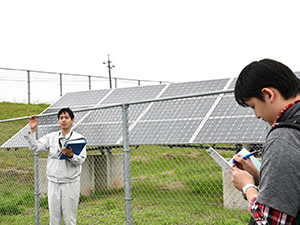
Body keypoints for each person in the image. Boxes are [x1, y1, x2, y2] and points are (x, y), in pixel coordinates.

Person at [231, 58, 300, 224]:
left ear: (268, 94)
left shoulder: (284, 137)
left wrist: (248, 186)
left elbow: (269, 220)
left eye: (254, 106)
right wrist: (259, 175)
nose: (257, 115)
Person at [24, 107, 87, 225]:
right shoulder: (51, 137)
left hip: (70, 184)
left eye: (66, 118)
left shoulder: (79, 139)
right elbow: (35, 147)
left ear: (72, 120)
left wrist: (71, 155)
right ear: (58, 121)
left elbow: (80, 160)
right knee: (54, 219)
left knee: (70, 219)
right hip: (53, 183)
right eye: (61, 118)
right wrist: (32, 130)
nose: (63, 120)